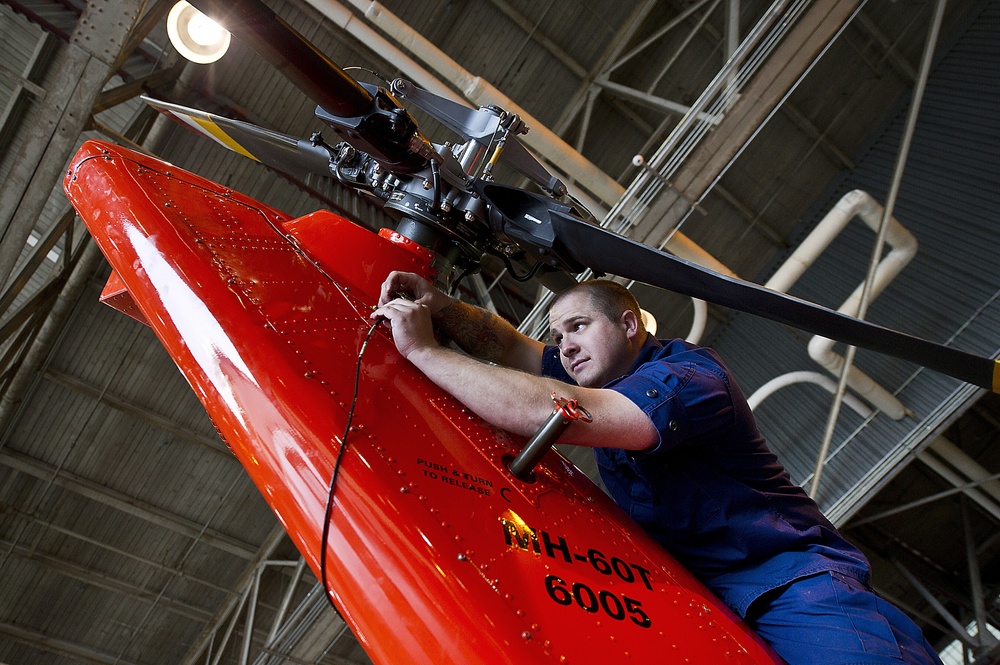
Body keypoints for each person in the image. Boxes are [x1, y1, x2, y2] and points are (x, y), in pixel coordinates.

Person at [371, 271, 942, 665]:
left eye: (577, 328)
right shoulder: (597, 374)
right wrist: (441, 307)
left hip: (796, 589)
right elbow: (509, 349)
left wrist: (424, 351)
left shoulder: (687, 378)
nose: (564, 347)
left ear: (628, 324)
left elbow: (548, 409)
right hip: (710, 601)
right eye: (556, 336)